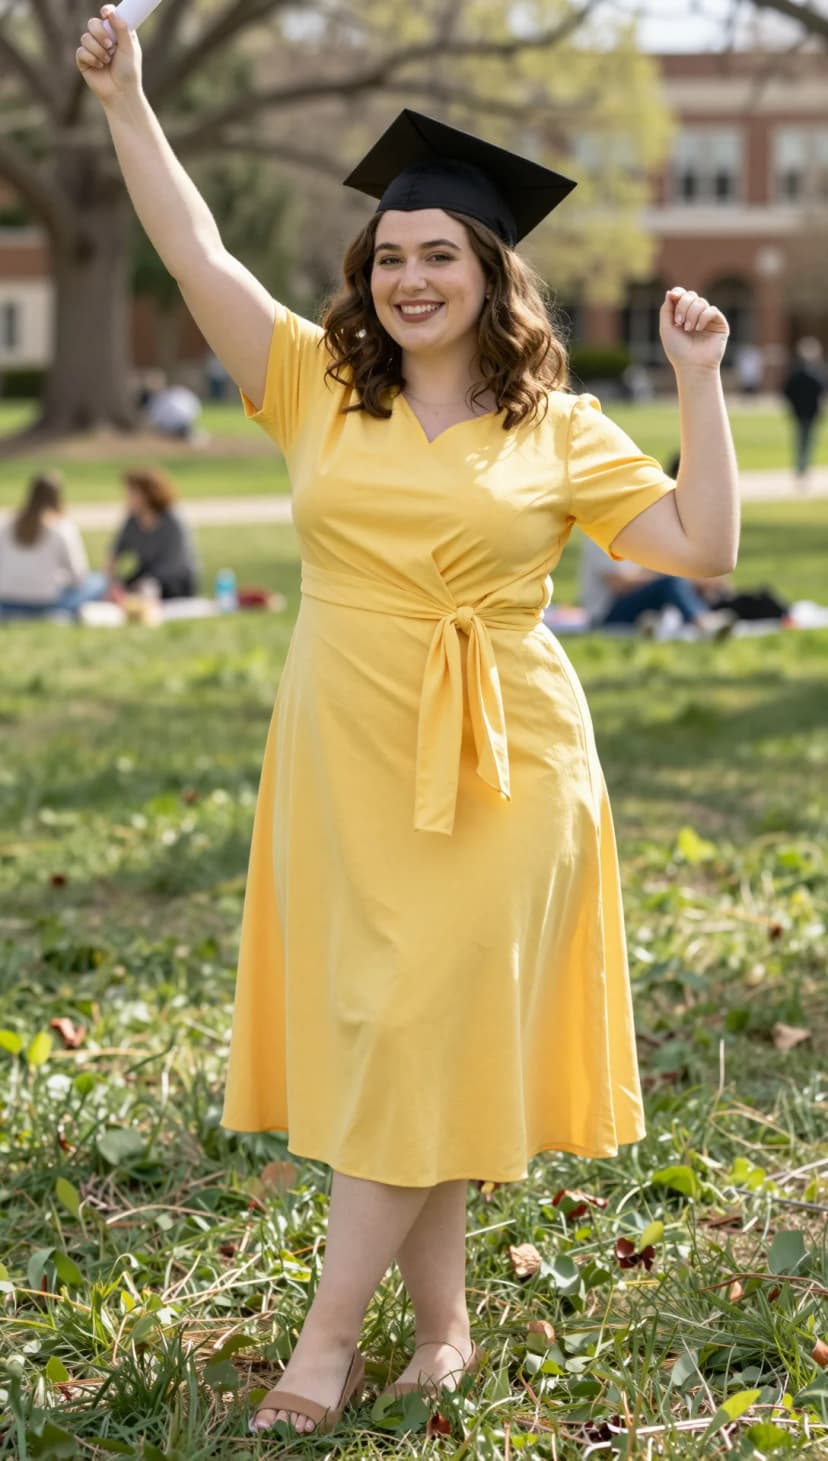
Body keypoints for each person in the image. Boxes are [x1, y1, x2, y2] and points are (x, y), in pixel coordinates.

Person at [77, 12, 740, 1441]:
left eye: (442, 252)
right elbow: (196, 252)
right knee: (406, 1038)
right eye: (391, 254)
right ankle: (442, 1334)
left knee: (412, 1024)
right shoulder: (314, 380)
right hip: (347, 747)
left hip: (511, 759)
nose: (411, 275)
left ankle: (320, 1355)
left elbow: (703, 542)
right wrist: (131, 100)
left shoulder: (555, 423)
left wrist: (699, 385)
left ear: (493, 273)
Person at [579, 533, 737, 638]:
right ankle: (703, 624)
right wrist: (662, 576)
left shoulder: (635, 538)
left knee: (678, 583)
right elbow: (620, 585)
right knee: (671, 582)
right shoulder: (600, 541)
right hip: (606, 614)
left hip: (628, 604)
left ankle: (654, 624)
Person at [0, 472, 106, 620]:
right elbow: (79, 576)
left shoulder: (6, 524)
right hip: (45, 604)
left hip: (6, 601)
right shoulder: (61, 527)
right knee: (100, 581)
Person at [107, 467, 199, 600]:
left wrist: (140, 585)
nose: (127, 498)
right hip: (147, 574)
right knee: (121, 591)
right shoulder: (132, 521)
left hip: (176, 579)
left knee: (143, 591)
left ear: (147, 494)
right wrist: (112, 582)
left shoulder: (172, 520)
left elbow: (173, 565)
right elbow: (114, 553)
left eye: (132, 493)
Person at [782, 337, 825, 484]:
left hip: (801, 413)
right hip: (809, 413)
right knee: (806, 441)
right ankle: (803, 468)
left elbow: (787, 392)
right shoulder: (816, 374)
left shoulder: (795, 374)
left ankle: (801, 468)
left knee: (801, 440)